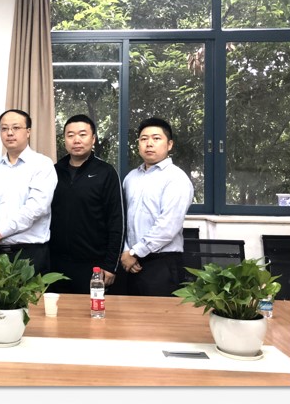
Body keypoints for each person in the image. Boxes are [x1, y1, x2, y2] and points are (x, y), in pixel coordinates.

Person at [49, 115, 124, 294]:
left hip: (93, 265)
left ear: (93, 139)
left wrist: (110, 265)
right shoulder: (53, 171)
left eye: (82, 134)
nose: (76, 140)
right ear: (64, 140)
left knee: (91, 310)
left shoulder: (106, 172)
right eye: (70, 135)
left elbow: (116, 221)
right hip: (55, 263)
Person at [119, 117, 194, 296]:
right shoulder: (130, 178)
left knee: (161, 313)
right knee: (129, 312)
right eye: (144, 139)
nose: (149, 144)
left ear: (169, 144)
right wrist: (127, 251)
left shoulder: (176, 178)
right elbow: (122, 219)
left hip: (162, 264)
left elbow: (168, 226)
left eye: (156, 138)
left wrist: (135, 252)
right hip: (130, 261)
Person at [0, 109, 57, 274]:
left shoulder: (42, 164)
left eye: (16, 128)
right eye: (4, 128)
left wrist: (1, 232)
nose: (9, 133)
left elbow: (36, 208)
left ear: (28, 132)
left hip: (29, 255)